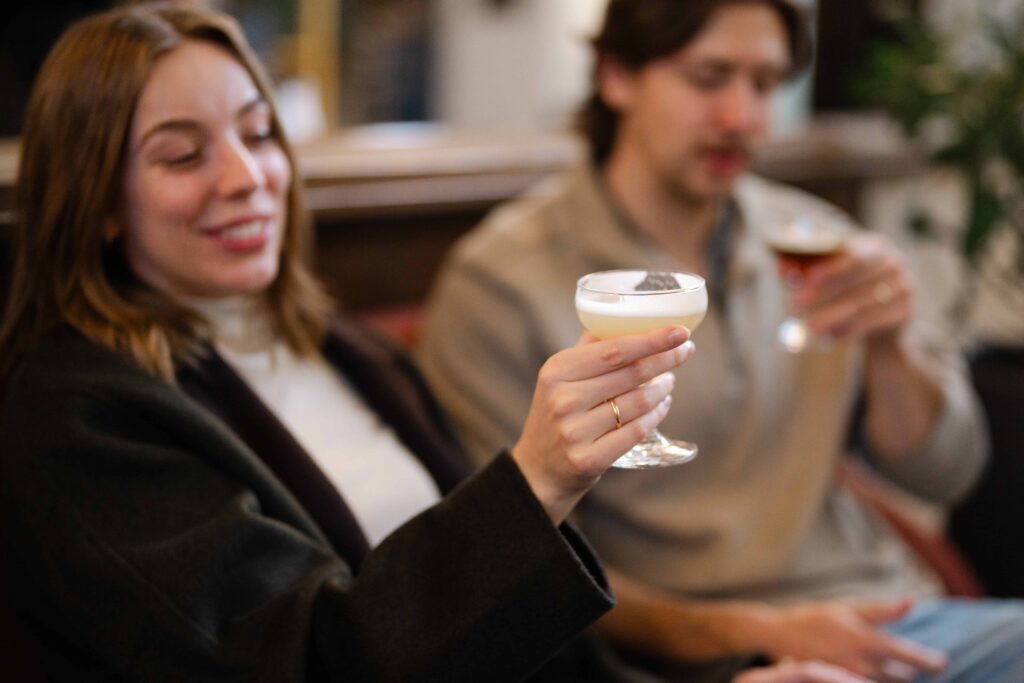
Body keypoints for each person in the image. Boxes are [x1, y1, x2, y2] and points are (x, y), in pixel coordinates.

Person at [0, 4, 700, 681]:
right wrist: (535, 481)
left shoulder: (352, 351)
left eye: (259, 133)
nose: (247, 177)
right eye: (183, 155)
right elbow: (309, 658)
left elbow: (511, 631)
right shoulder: (76, 414)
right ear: (100, 204)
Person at [417, 0, 1024, 681]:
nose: (742, 117)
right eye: (709, 78)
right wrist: (760, 631)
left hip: (893, 615)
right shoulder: (503, 280)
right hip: (714, 652)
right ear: (617, 75)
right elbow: (515, 571)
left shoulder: (815, 239)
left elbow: (944, 472)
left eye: (764, 84)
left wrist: (890, 346)